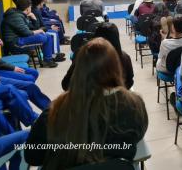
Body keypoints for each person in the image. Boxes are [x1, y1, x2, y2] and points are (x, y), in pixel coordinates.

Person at [25, 38, 148, 169]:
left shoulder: (54, 112)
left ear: (78, 70)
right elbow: (137, 136)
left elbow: (33, 156)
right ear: (116, 68)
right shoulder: (134, 104)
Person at [62, 22, 134, 91]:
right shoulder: (124, 58)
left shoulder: (82, 54)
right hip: (116, 101)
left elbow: (66, 84)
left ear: (95, 37)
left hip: (86, 101)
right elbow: (129, 83)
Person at [1, 0, 58, 68]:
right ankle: (47, 60)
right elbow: (27, 33)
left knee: (47, 36)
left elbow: (34, 28)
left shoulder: (20, 15)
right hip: (14, 42)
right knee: (43, 36)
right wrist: (40, 31)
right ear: (27, 8)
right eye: (30, 7)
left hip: (20, 38)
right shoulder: (15, 17)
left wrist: (34, 19)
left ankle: (48, 59)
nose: (31, 8)